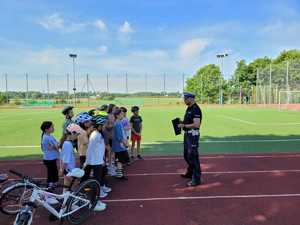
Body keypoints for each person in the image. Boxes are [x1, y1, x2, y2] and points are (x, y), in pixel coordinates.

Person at [81, 115, 111, 209]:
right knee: (96, 183)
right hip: (95, 162)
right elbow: (90, 150)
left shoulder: (99, 133)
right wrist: (87, 162)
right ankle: (93, 203)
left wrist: (102, 159)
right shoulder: (95, 135)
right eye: (104, 124)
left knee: (96, 182)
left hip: (98, 161)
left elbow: (100, 148)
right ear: (99, 125)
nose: (105, 125)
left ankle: (93, 201)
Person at [178, 92, 203, 187]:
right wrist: (181, 122)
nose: (184, 100)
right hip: (187, 135)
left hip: (193, 135)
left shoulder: (196, 109)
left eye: (185, 98)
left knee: (193, 156)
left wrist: (184, 125)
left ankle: (196, 179)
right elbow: (188, 121)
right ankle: (190, 172)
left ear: (191, 98)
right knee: (186, 155)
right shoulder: (189, 108)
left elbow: (197, 124)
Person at [40, 121, 59, 188]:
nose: (53, 128)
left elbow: (56, 144)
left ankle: (54, 182)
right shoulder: (46, 138)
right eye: (52, 127)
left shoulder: (50, 136)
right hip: (49, 159)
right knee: (51, 172)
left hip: (51, 158)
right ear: (46, 129)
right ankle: (50, 184)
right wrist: (57, 146)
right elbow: (56, 146)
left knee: (54, 170)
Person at [112, 108, 130, 179]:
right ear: (118, 115)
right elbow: (120, 137)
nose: (123, 115)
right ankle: (119, 175)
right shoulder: (118, 124)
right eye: (122, 114)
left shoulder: (117, 123)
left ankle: (119, 174)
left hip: (118, 146)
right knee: (120, 161)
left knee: (120, 160)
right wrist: (126, 144)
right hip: (119, 146)